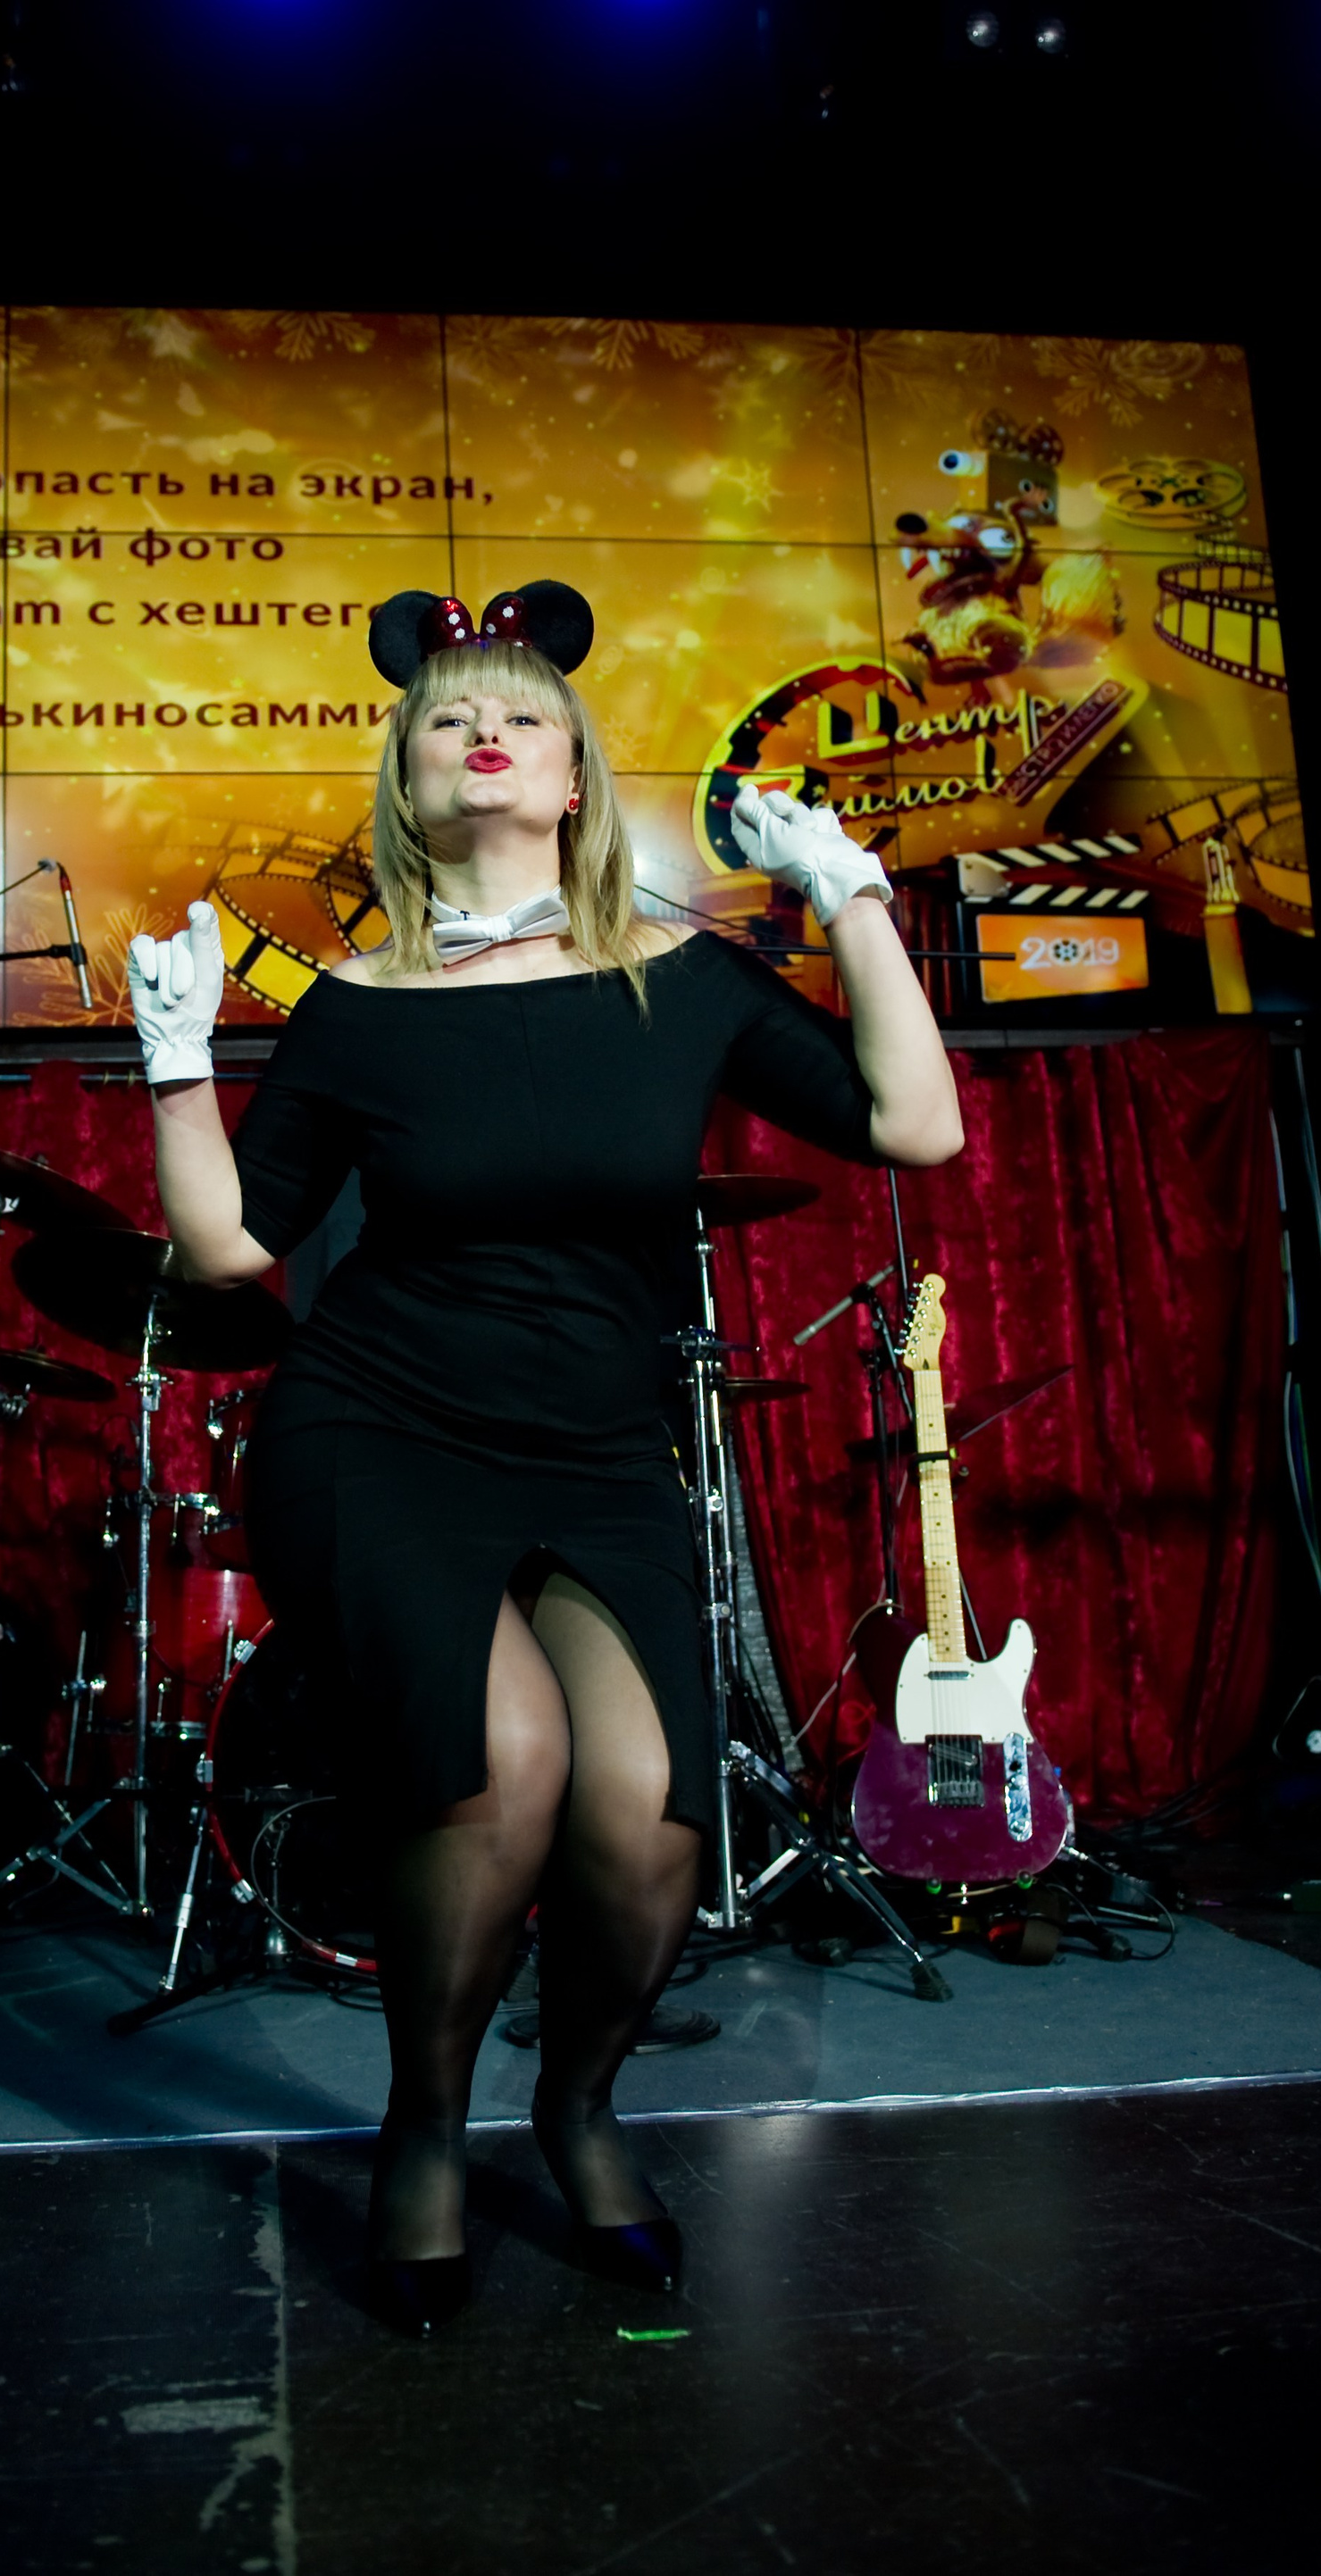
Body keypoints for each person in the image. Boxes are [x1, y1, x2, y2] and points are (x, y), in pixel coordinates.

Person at [130, 582, 963, 2334]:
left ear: (576, 776)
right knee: (500, 1767)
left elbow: (917, 1123)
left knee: (651, 1822)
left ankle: (578, 2110)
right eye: (447, 718)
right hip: (378, 1430)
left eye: (519, 713)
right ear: (409, 785)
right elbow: (229, 1249)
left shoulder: (689, 981)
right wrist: (178, 1064)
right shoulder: (357, 1005)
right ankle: (425, 2132)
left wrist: (853, 898)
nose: (484, 730)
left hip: (593, 1442)